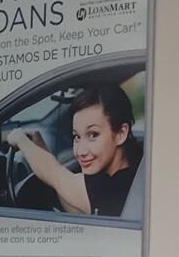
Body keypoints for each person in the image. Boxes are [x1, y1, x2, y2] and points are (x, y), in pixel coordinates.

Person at [8, 82, 143, 219]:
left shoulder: (119, 186)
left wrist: (20, 140)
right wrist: (40, 147)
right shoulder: (135, 172)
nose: (80, 151)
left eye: (93, 135)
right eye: (77, 136)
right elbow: (70, 197)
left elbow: (55, 174)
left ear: (121, 133)